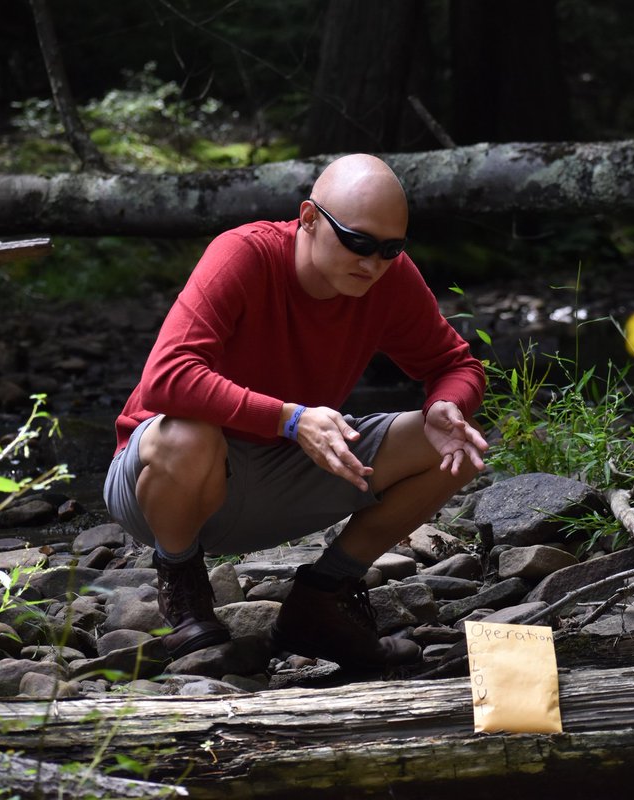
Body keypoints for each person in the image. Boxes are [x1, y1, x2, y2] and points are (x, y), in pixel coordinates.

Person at [103, 153, 488, 670]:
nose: (373, 263)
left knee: (455, 444)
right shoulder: (245, 254)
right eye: (357, 242)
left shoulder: (388, 279)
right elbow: (166, 377)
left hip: (280, 478)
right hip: (163, 487)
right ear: (309, 218)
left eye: (390, 249)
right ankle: (183, 583)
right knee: (189, 435)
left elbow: (455, 364)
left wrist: (447, 404)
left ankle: (322, 598)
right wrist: (289, 417)